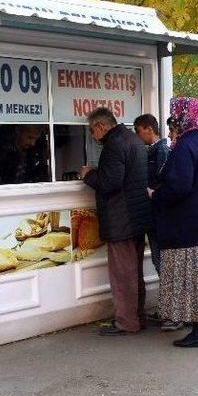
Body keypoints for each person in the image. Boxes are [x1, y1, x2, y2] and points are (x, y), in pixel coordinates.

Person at [149, 97, 198, 348]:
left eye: (175, 117)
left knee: (191, 279)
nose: (173, 122)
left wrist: (156, 195)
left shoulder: (184, 147)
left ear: (183, 117)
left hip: (187, 225)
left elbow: (178, 186)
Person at [81, 107, 151, 335]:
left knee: (123, 275)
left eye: (93, 130)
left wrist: (89, 175)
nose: (92, 136)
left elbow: (110, 183)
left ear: (102, 126)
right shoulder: (133, 139)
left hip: (121, 219)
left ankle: (126, 322)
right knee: (135, 272)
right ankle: (138, 317)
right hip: (137, 218)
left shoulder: (113, 145)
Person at [133, 113, 183, 331]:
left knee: (163, 264)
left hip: (159, 217)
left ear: (147, 129)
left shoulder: (161, 151)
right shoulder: (155, 150)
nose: (137, 136)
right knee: (160, 262)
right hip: (155, 216)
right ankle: (169, 308)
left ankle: (174, 311)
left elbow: (164, 184)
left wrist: (153, 194)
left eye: (138, 131)